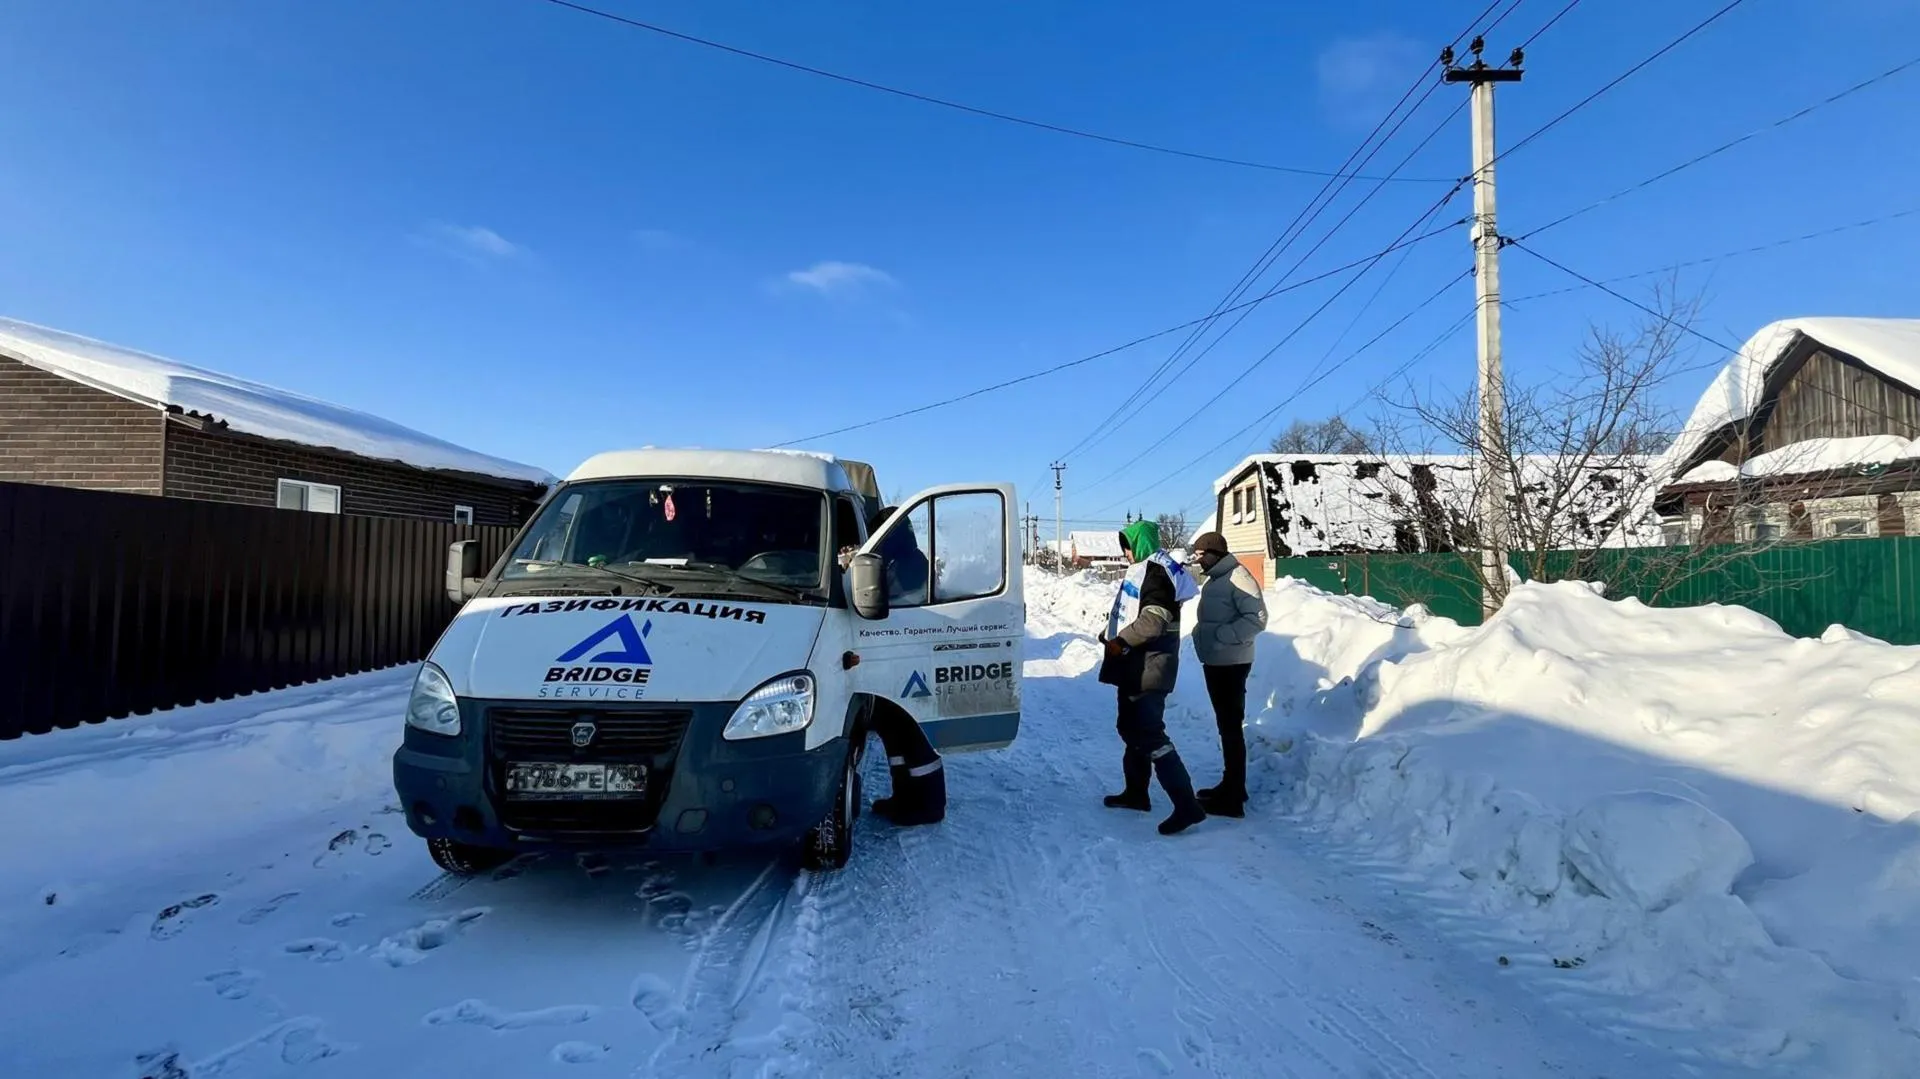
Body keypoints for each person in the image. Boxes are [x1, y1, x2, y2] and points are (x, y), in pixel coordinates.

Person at [1098, 519, 1207, 836]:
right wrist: (1110, 633)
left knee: (1149, 734)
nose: (1125, 553)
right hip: (1137, 665)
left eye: (1128, 546)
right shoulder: (1148, 569)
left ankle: (1187, 805)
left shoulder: (1157, 573)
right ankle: (1136, 793)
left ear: (1140, 545)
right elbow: (1133, 613)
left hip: (1150, 666)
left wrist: (1121, 641)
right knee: (1131, 728)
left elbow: (1152, 621)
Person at [1186, 531, 1268, 818]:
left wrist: (1223, 635)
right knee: (1227, 726)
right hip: (1219, 661)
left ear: (1213, 554)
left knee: (1231, 728)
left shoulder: (1238, 577)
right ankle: (1233, 785)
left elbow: (1257, 619)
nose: (1196, 560)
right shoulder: (1220, 577)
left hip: (1231, 663)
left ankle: (1232, 799)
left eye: (1199, 554)